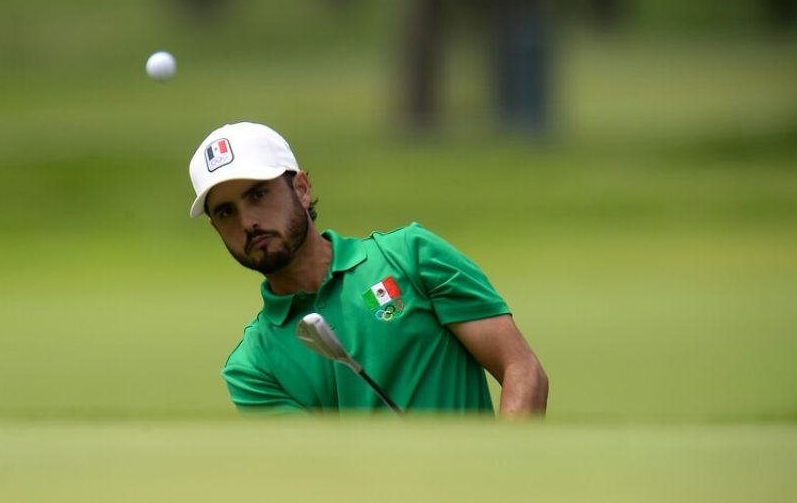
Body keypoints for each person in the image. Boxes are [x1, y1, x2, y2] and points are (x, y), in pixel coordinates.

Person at [188, 121, 548, 416]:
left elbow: (522, 370)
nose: (247, 221)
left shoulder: (412, 256)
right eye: (225, 212)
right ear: (216, 228)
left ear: (300, 188)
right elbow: (318, 476)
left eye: (258, 194)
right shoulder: (252, 368)